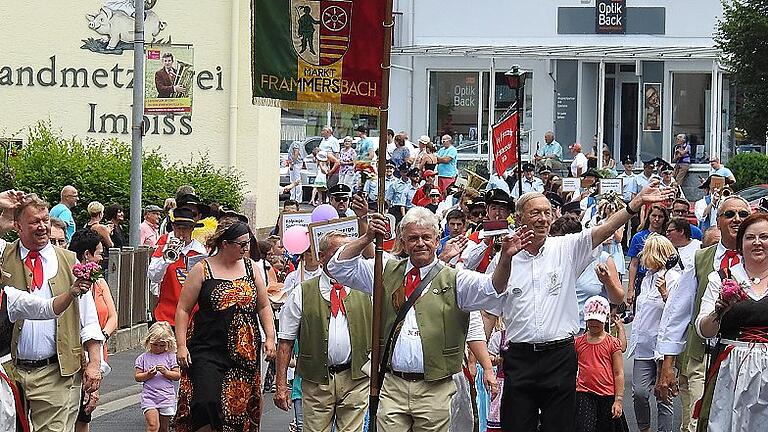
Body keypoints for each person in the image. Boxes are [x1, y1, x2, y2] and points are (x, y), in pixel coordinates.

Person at [326, 207, 531, 431]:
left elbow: (494, 289)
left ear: (437, 240)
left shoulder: (456, 278)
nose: (420, 243)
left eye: (426, 237)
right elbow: (337, 267)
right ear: (403, 242)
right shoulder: (384, 269)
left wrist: (505, 258)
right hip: (392, 384)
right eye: (413, 238)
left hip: (436, 387)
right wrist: (366, 238)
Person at [494, 183, 672, 432]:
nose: (543, 219)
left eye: (547, 212)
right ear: (520, 217)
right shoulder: (505, 257)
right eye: (535, 213)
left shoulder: (565, 247)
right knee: (516, 425)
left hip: (559, 356)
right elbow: (492, 300)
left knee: (560, 426)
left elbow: (604, 229)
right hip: (520, 357)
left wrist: (634, 205)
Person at [1, 194, 103, 432]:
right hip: (9, 372)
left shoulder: (70, 262)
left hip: (55, 373)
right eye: (35, 221)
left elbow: (88, 319)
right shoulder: (4, 256)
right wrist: (2, 207)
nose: (42, 226)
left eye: (45, 220)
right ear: (17, 226)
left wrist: (94, 363)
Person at [654, 196, 751, 432]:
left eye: (743, 214)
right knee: (699, 422)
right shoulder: (701, 258)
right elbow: (677, 313)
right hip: (702, 357)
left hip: (745, 357)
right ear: (718, 221)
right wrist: (667, 363)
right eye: (729, 214)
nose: (737, 219)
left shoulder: (760, 258)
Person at [175, 219, 277, 432]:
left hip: (244, 351)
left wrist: (270, 337)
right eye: (241, 244)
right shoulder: (202, 269)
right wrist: (181, 345)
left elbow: (264, 306)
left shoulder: (251, 269)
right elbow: (183, 309)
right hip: (207, 347)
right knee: (206, 402)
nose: (246, 249)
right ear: (225, 244)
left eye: (248, 243)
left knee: (236, 409)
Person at [274, 232, 371, 432]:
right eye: (337, 252)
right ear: (321, 256)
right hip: (316, 381)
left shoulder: (366, 288)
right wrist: (281, 385)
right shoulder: (302, 292)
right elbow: (285, 341)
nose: (343, 258)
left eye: (348, 251)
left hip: (356, 379)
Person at [694, 212, 768, 431]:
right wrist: (718, 312)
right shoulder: (722, 277)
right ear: (740, 244)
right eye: (750, 237)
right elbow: (703, 330)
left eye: (764, 237)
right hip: (730, 370)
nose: (757, 243)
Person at [628, 235, 680, 432]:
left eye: (646, 252)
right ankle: (645, 429)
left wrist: (665, 294)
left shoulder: (674, 278)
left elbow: (676, 314)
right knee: (639, 393)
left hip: (662, 347)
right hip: (643, 345)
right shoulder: (648, 278)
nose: (642, 257)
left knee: (663, 395)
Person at [69, 228, 118, 432]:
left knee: (85, 412)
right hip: (75, 354)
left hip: (97, 350)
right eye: (99, 253)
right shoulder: (70, 279)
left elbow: (113, 316)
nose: (102, 257)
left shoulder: (99, 281)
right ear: (87, 255)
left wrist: (101, 338)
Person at [574, 296, 627, 432]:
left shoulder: (612, 343)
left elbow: (618, 372)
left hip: (607, 395)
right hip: (584, 393)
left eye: (598, 320)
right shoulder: (578, 343)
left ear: (606, 319)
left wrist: (618, 400)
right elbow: (573, 367)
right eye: (590, 319)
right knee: (584, 427)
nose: (594, 323)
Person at [149, 208, 208, 327]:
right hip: (165, 316)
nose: (181, 233)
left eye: (186, 228)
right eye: (178, 228)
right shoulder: (163, 249)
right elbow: (153, 277)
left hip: (193, 317)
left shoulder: (201, 252)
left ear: (192, 229)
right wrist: (166, 259)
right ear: (173, 228)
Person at [134, 322, 180, 432]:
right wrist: (148, 374)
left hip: (166, 396)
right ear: (149, 341)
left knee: (164, 428)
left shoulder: (171, 357)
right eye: (155, 345)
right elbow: (137, 377)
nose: (158, 348)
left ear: (168, 344)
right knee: (153, 425)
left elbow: (177, 376)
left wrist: (166, 372)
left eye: (162, 345)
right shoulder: (143, 358)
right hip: (149, 396)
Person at [461, 189, 513, 273]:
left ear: (508, 212)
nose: (497, 213)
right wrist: (485, 242)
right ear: (487, 210)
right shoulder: (475, 237)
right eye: (493, 208)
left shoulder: (514, 237)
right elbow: (467, 266)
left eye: (502, 209)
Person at [627, 204, 669, 306]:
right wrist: (630, 289)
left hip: (662, 278)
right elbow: (633, 264)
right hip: (642, 277)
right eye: (654, 216)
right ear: (648, 217)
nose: (657, 219)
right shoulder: (638, 237)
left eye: (660, 217)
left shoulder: (667, 236)